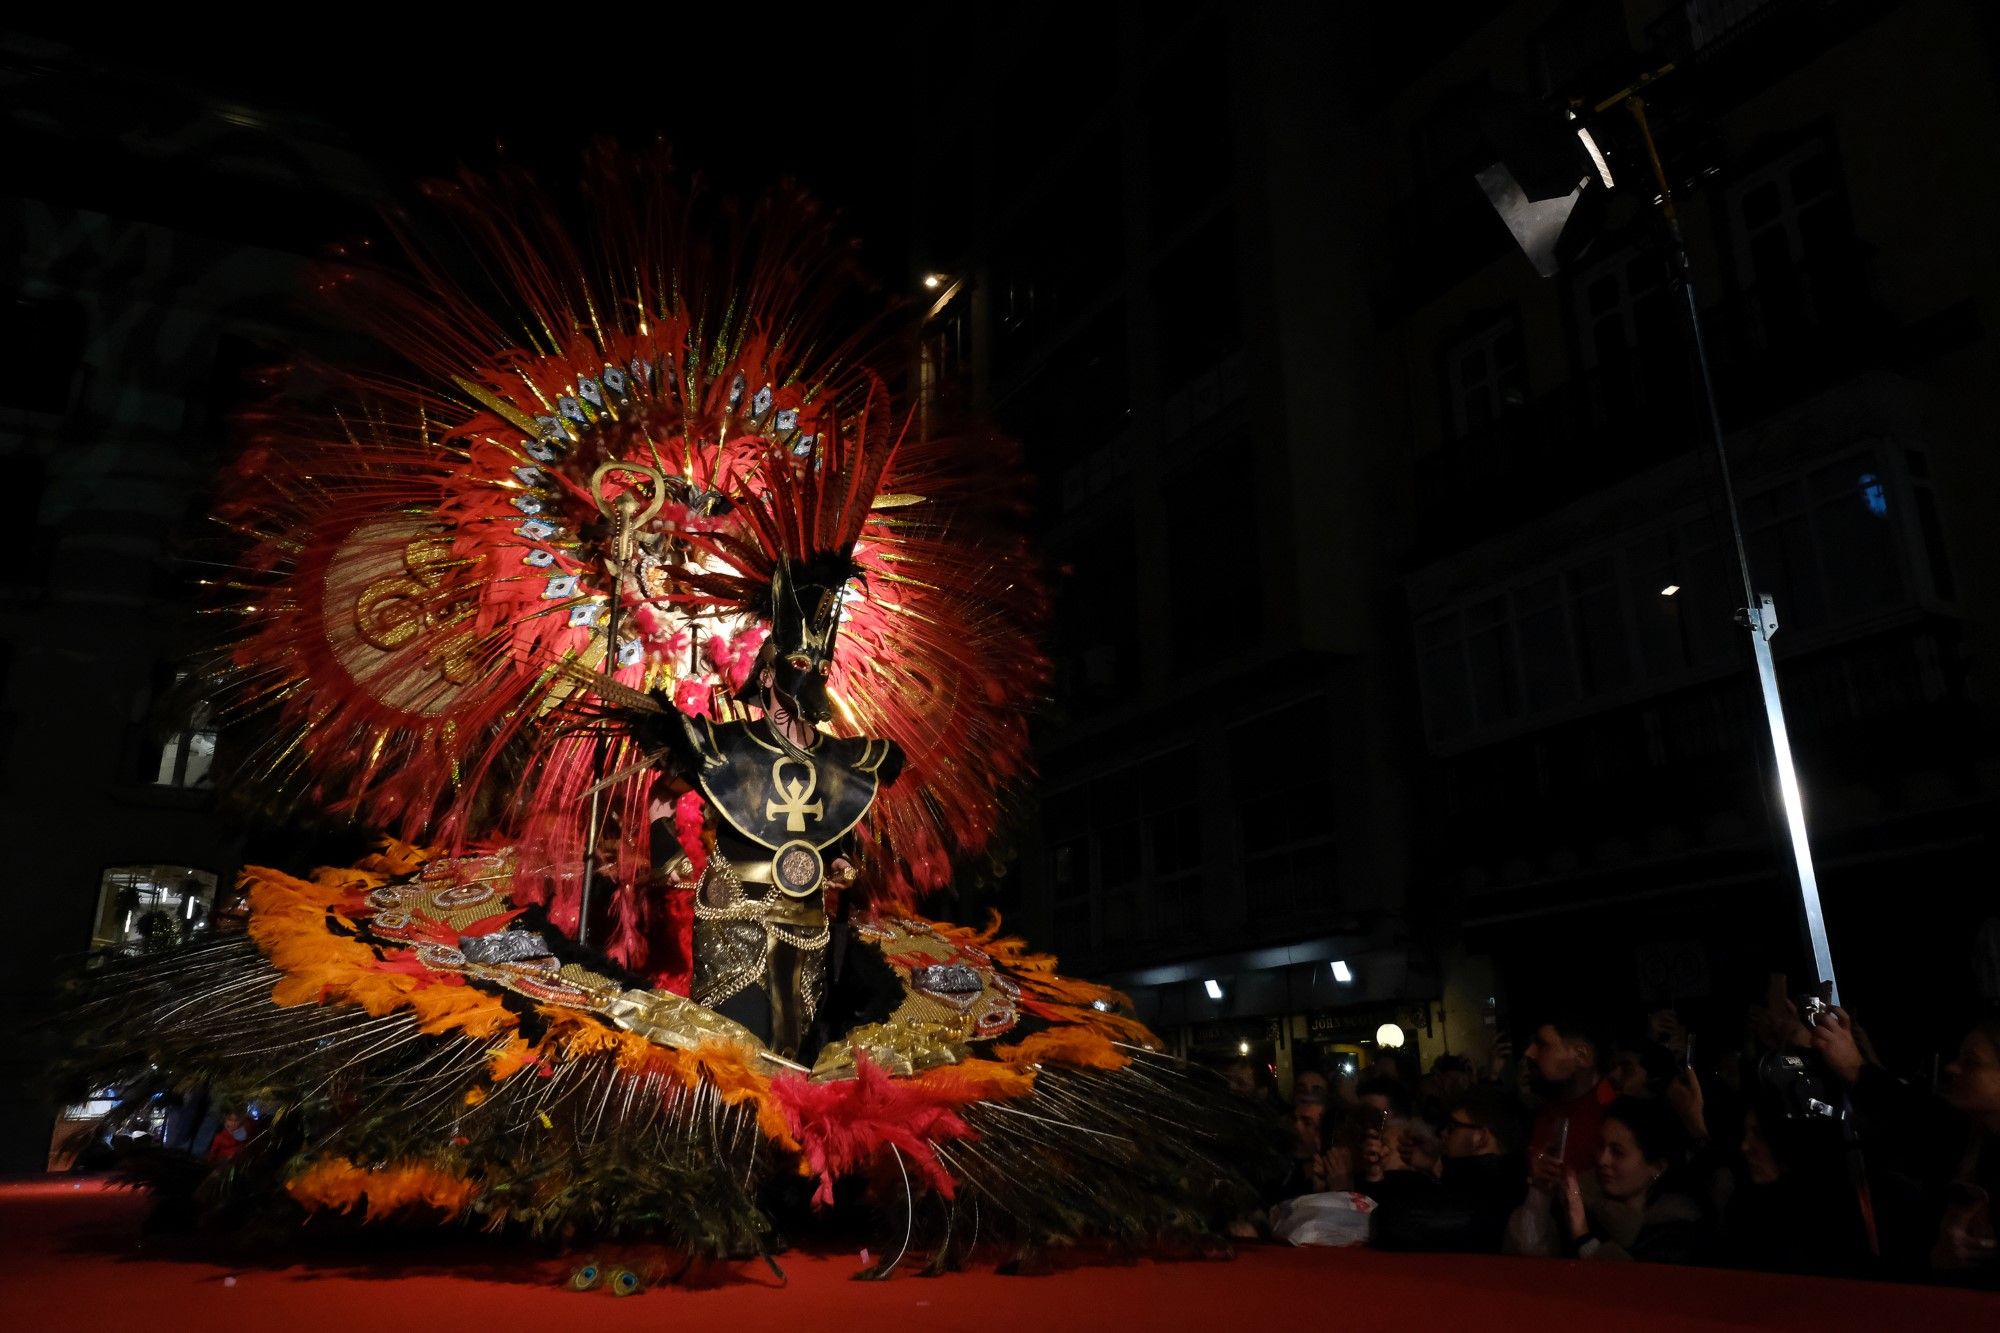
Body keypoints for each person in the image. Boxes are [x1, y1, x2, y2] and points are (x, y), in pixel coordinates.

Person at [1508, 1095, 1711, 1263]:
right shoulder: (1584, 1199)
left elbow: (1630, 1288)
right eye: (1601, 1146)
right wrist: (1541, 1190)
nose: (1602, 1159)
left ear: (1656, 1168)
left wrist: (1582, 1234)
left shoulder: (1676, 1227)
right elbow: (1529, 1255)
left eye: (1617, 1152)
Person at [1371, 1085, 1527, 1253]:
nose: (1444, 1134)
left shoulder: (1492, 1198)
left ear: (1480, 1138)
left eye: (1453, 1127)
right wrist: (1434, 1163)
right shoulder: (1501, 1182)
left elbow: (1394, 1220)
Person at [1522, 1017, 1617, 1181]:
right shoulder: (1540, 1109)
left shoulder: (1615, 1113)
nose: (1529, 1052)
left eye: (1542, 1045)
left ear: (1582, 1055)